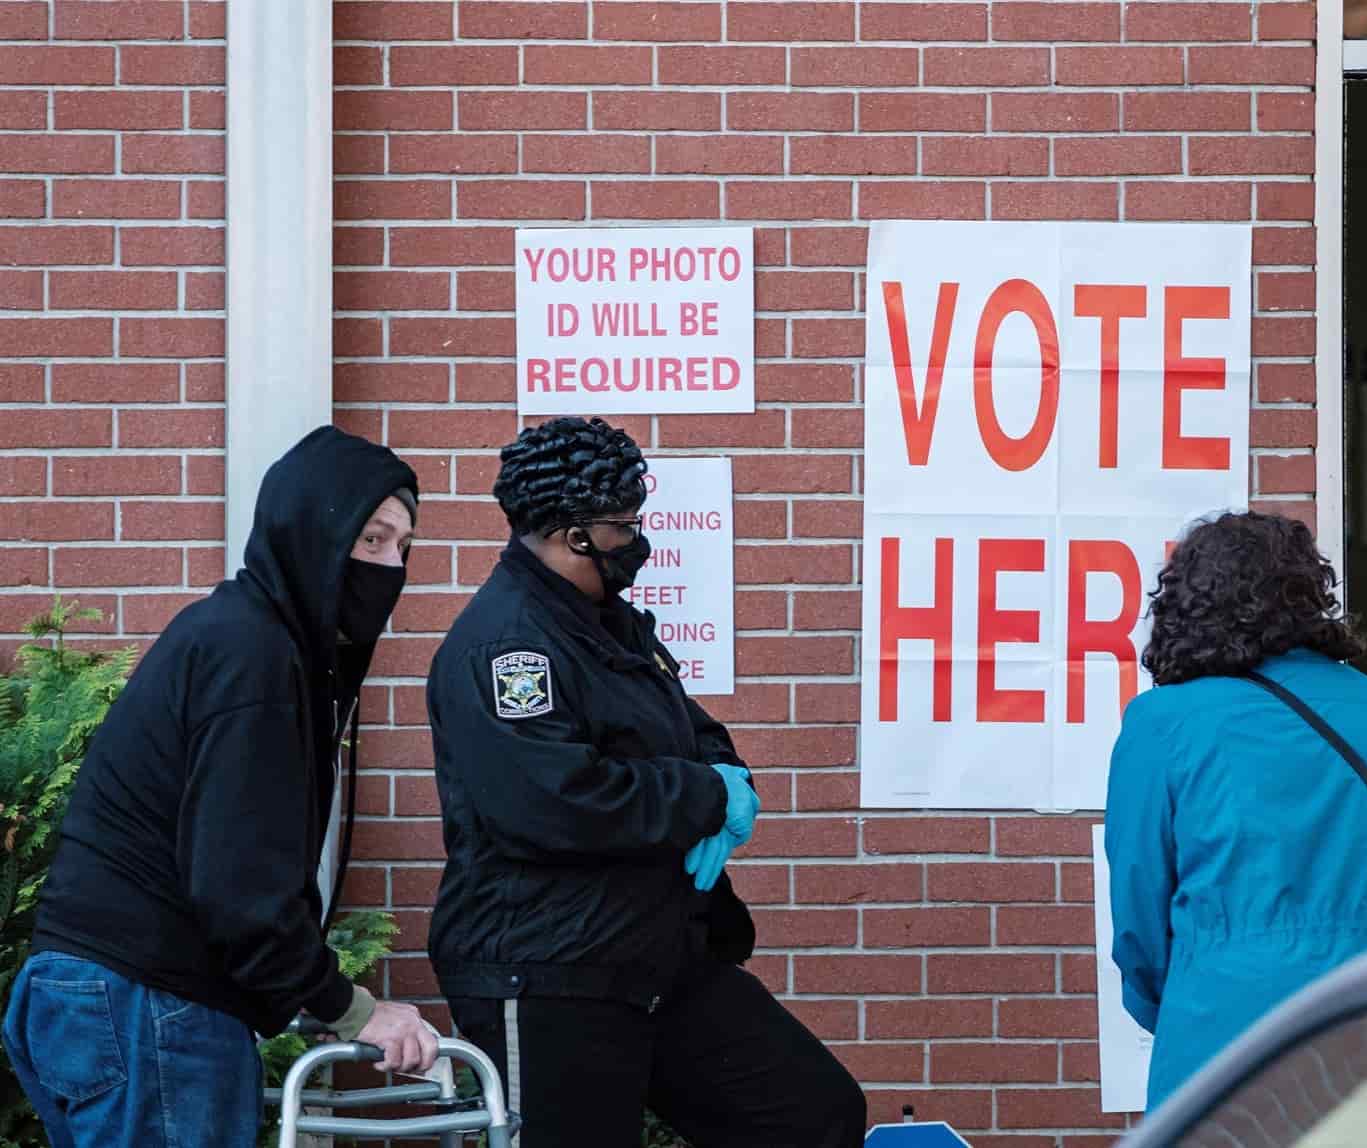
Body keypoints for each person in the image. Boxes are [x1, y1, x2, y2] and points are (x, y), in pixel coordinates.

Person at [426, 417, 865, 1147]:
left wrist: (727, 776)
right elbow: (557, 801)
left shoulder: (609, 625)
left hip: (653, 957)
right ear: (575, 535)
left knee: (809, 1114)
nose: (638, 541)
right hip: (547, 971)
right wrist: (704, 795)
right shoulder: (510, 647)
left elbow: (691, 728)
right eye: (625, 526)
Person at [3, 426, 442, 1148]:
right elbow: (240, 885)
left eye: (403, 546)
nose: (390, 566)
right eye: (370, 539)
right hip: (146, 1001)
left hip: (98, 994)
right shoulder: (254, 656)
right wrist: (356, 1010)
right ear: (310, 532)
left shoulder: (242, 639)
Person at [1105, 511, 1367, 1109]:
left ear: (1189, 603)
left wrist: (1182, 1001)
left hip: (1223, 1028)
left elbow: (1139, 912)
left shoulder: (1163, 722)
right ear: (1308, 598)